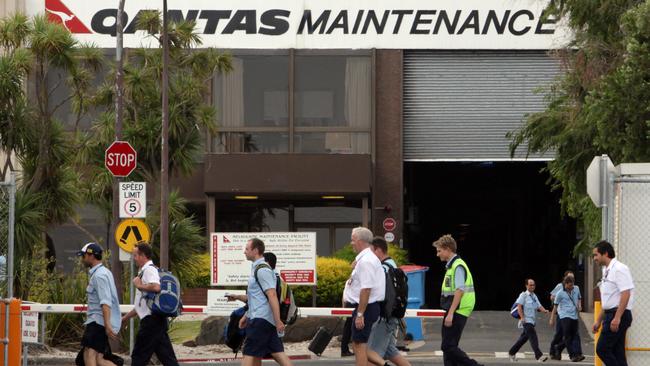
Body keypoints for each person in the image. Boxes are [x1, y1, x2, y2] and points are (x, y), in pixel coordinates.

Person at [121, 244, 179, 366]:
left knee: (139, 356)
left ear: (143, 256)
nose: (134, 258)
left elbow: (156, 287)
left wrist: (139, 285)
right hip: (156, 321)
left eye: (135, 255)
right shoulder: (145, 271)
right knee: (167, 358)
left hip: (151, 322)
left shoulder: (149, 270)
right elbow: (143, 305)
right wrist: (126, 318)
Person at [239, 238, 293, 366]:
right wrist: (246, 316)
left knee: (249, 354)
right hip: (264, 319)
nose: (244, 252)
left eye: (247, 249)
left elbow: (272, 295)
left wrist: (278, 320)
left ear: (256, 250)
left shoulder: (262, 270)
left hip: (260, 320)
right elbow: (256, 298)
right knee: (277, 354)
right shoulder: (257, 268)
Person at [433, 234, 483, 366]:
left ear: (448, 249)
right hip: (454, 309)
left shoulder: (458, 266)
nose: (437, 254)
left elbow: (459, 290)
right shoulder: (453, 266)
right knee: (449, 348)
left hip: (458, 310)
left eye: (439, 251)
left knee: (448, 346)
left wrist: (450, 313)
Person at [343, 227, 385, 366]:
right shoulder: (365, 259)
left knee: (359, 346)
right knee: (358, 345)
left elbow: (366, 289)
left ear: (360, 241)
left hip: (366, 308)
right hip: (366, 307)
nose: (351, 243)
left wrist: (360, 314)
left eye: (353, 240)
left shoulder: (366, 261)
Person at [366, 237, 411, 366]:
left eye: (371, 251)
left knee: (373, 355)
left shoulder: (383, 268)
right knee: (390, 351)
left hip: (384, 318)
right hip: (392, 316)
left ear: (378, 250)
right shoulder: (392, 265)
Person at [77, 242, 121, 366]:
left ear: (91, 255)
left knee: (90, 353)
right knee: (97, 359)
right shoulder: (103, 272)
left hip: (98, 321)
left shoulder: (100, 276)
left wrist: (107, 325)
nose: (83, 259)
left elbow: (105, 302)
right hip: (98, 321)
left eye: (84, 255)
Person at [592, 240, 634, 366]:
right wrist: (598, 320)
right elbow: (609, 300)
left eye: (596, 255)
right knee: (617, 353)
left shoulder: (619, 269)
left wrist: (617, 318)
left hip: (617, 315)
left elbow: (625, 293)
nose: (594, 258)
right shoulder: (607, 270)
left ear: (605, 253)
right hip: (611, 314)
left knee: (602, 349)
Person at [508, 278, 550, 362]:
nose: (532, 286)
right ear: (526, 285)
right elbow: (519, 306)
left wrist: (545, 310)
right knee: (533, 336)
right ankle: (539, 356)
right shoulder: (523, 295)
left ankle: (512, 352)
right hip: (526, 321)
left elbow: (539, 306)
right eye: (530, 285)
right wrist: (522, 317)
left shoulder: (534, 296)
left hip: (532, 321)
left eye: (533, 285)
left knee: (523, 338)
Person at [548, 270, 581, 360]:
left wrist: (579, 306)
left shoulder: (575, 288)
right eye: (570, 277)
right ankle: (554, 350)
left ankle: (576, 353)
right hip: (562, 314)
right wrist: (559, 298)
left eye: (573, 278)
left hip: (573, 315)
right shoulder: (559, 287)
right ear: (565, 279)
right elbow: (552, 297)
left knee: (573, 335)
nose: (572, 279)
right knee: (560, 334)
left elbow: (578, 298)